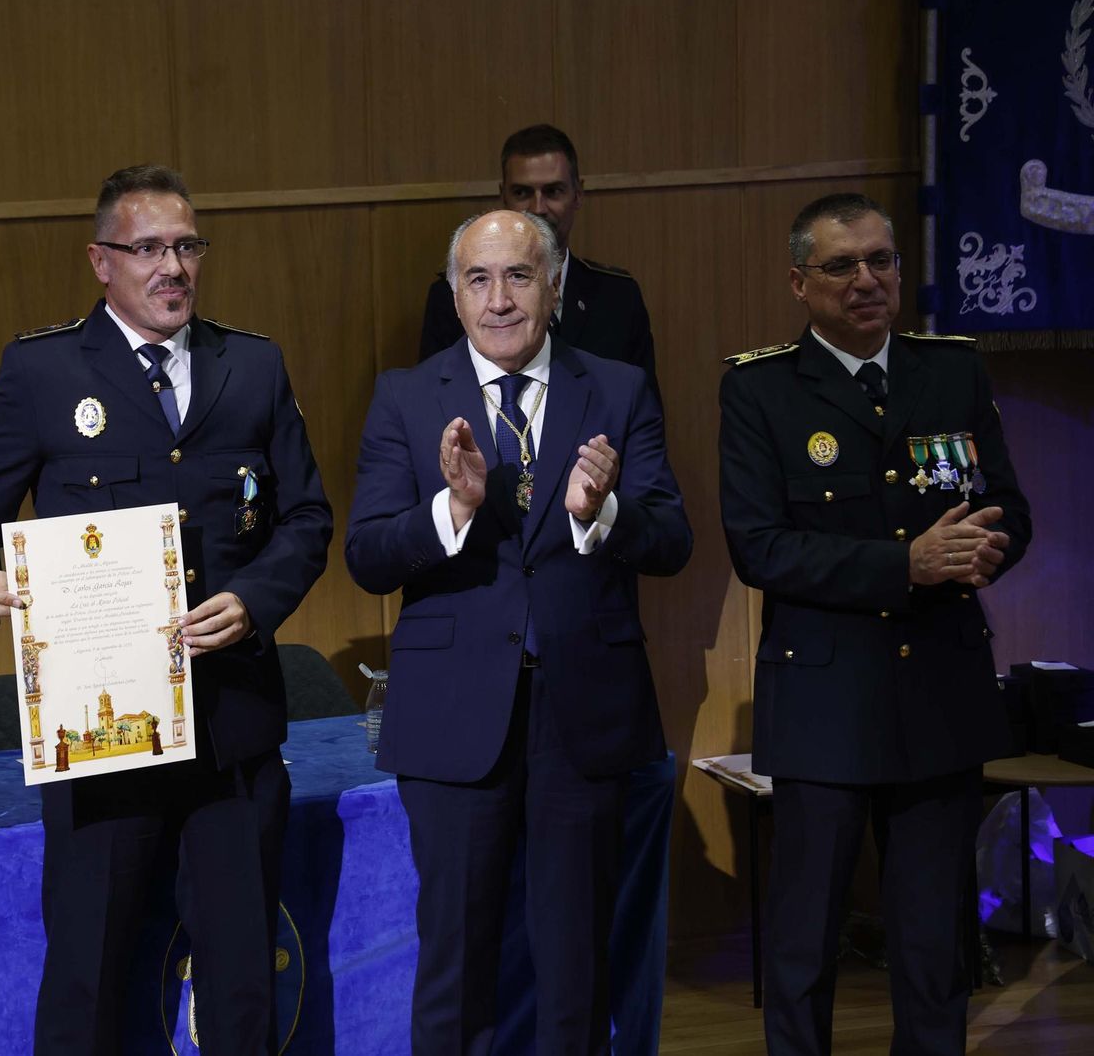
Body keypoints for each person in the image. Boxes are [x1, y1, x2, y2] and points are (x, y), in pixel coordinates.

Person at [0, 164, 331, 1054]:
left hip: (232, 724)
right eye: (148, 248)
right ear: (100, 262)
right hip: (100, 737)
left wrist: (255, 600)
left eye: (187, 246)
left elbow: (306, 517)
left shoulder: (253, 364)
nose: (173, 267)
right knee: (90, 983)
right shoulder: (42, 371)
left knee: (241, 988)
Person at [347, 209, 691, 1054]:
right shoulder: (404, 395)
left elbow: (673, 540)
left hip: (585, 719)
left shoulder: (617, 388)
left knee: (575, 968)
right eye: (478, 280)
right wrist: (452, 509)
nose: (499, 300)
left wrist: (599, 512)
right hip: (454, 720)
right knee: (457, 966)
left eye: (519, 276)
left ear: (556, 286)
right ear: (455, 296)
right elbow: (367, 554)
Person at [718, 192, 1031, 1055]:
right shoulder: (760, 390)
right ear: (798, 281)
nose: (868, 281)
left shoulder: (952, 371)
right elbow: (760, 549)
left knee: (935, 949)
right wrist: (906, 565)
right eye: (842, 266)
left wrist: (985, 545)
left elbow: (1011, 509)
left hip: (939, 691)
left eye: (882, 262)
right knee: (803, 945)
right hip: (825, 701)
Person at [417, 123, 656, 395]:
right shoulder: (451, 296)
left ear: (578, 194)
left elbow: (644, 411)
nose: (538, 208)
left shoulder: (618, 296)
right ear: (503, 196)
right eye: (522, 193)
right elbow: (434, 399)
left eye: (553, 191)